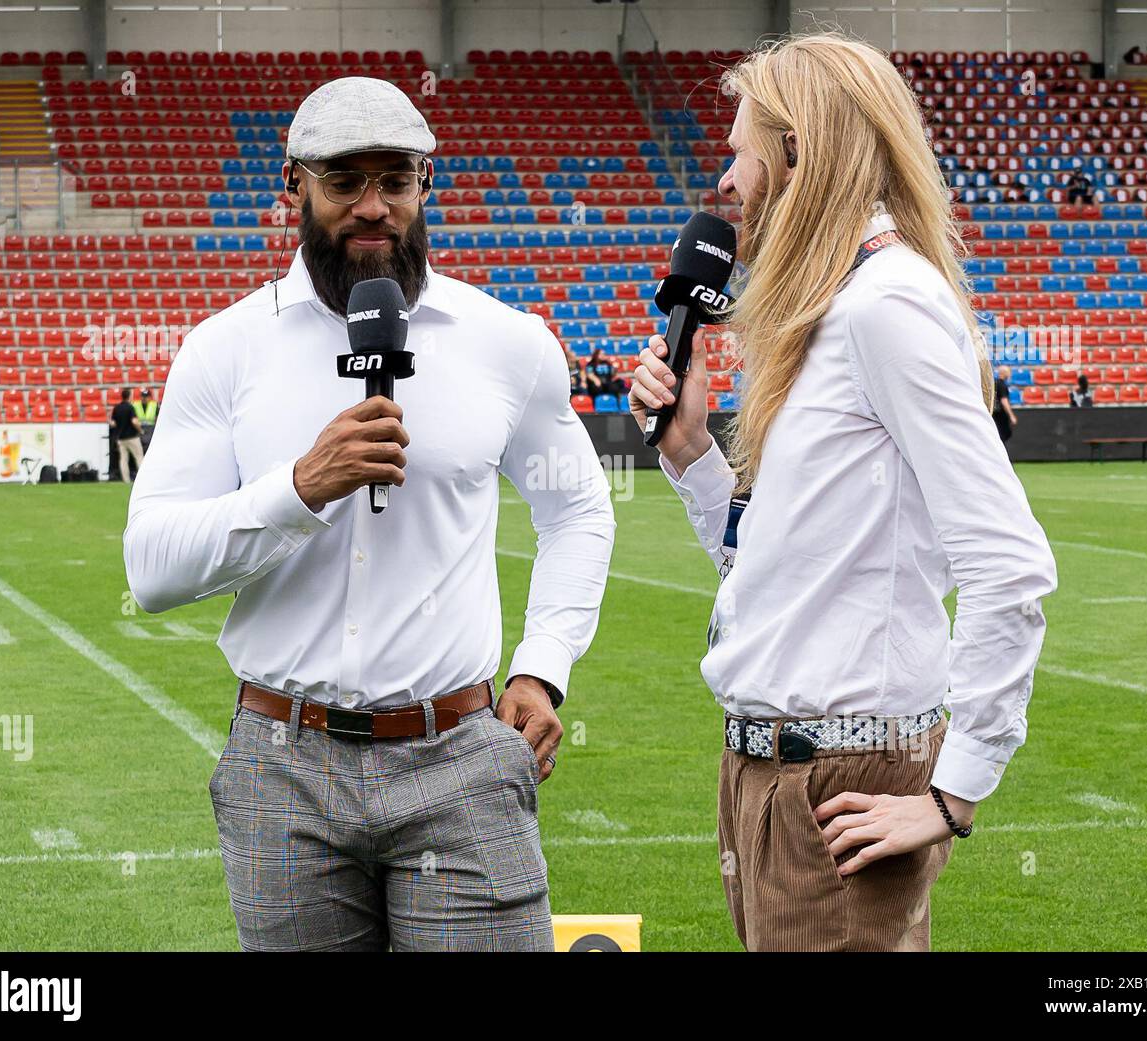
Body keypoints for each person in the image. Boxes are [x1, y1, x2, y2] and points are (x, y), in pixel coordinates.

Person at [123, 77, 616, 952]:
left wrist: (542, 666)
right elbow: (153, 569)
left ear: (428, 184)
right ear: (293, 189)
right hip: (283, 757)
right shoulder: (224, 349)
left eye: (395, 180)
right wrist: (301, 487)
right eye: (344, 182)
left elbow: (577, 508)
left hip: (457, 752)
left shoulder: (507, 341)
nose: (373, 207)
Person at [626, 34, 1057, 952]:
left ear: (797, 153)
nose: (727, 185)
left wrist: (955, 789)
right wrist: (695, 453)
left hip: (842, 779)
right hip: (766, 775)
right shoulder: (829, 308)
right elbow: (780, 572)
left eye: (740, 153)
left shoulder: (884, 304)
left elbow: (1009, 563)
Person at [111, 387, 144, 482]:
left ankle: (126, 480)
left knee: (123, 460)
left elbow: (113, 423)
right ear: (129, 396)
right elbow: (134, 421)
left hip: (121, 438)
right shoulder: (130, 407)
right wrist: (141, 430)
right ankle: (142, 480)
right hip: (132, 437)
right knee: (139, 457)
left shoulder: (117, 408)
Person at [993, 364, 1017, 444]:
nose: (1010, 374)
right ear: (1004, 373)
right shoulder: (1002, 385)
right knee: (1003, 436)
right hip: (1000, 415)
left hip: (994, 414)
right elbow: (1004, 401)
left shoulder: (994, 383)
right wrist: (1011, 415)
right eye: (1009, 372)